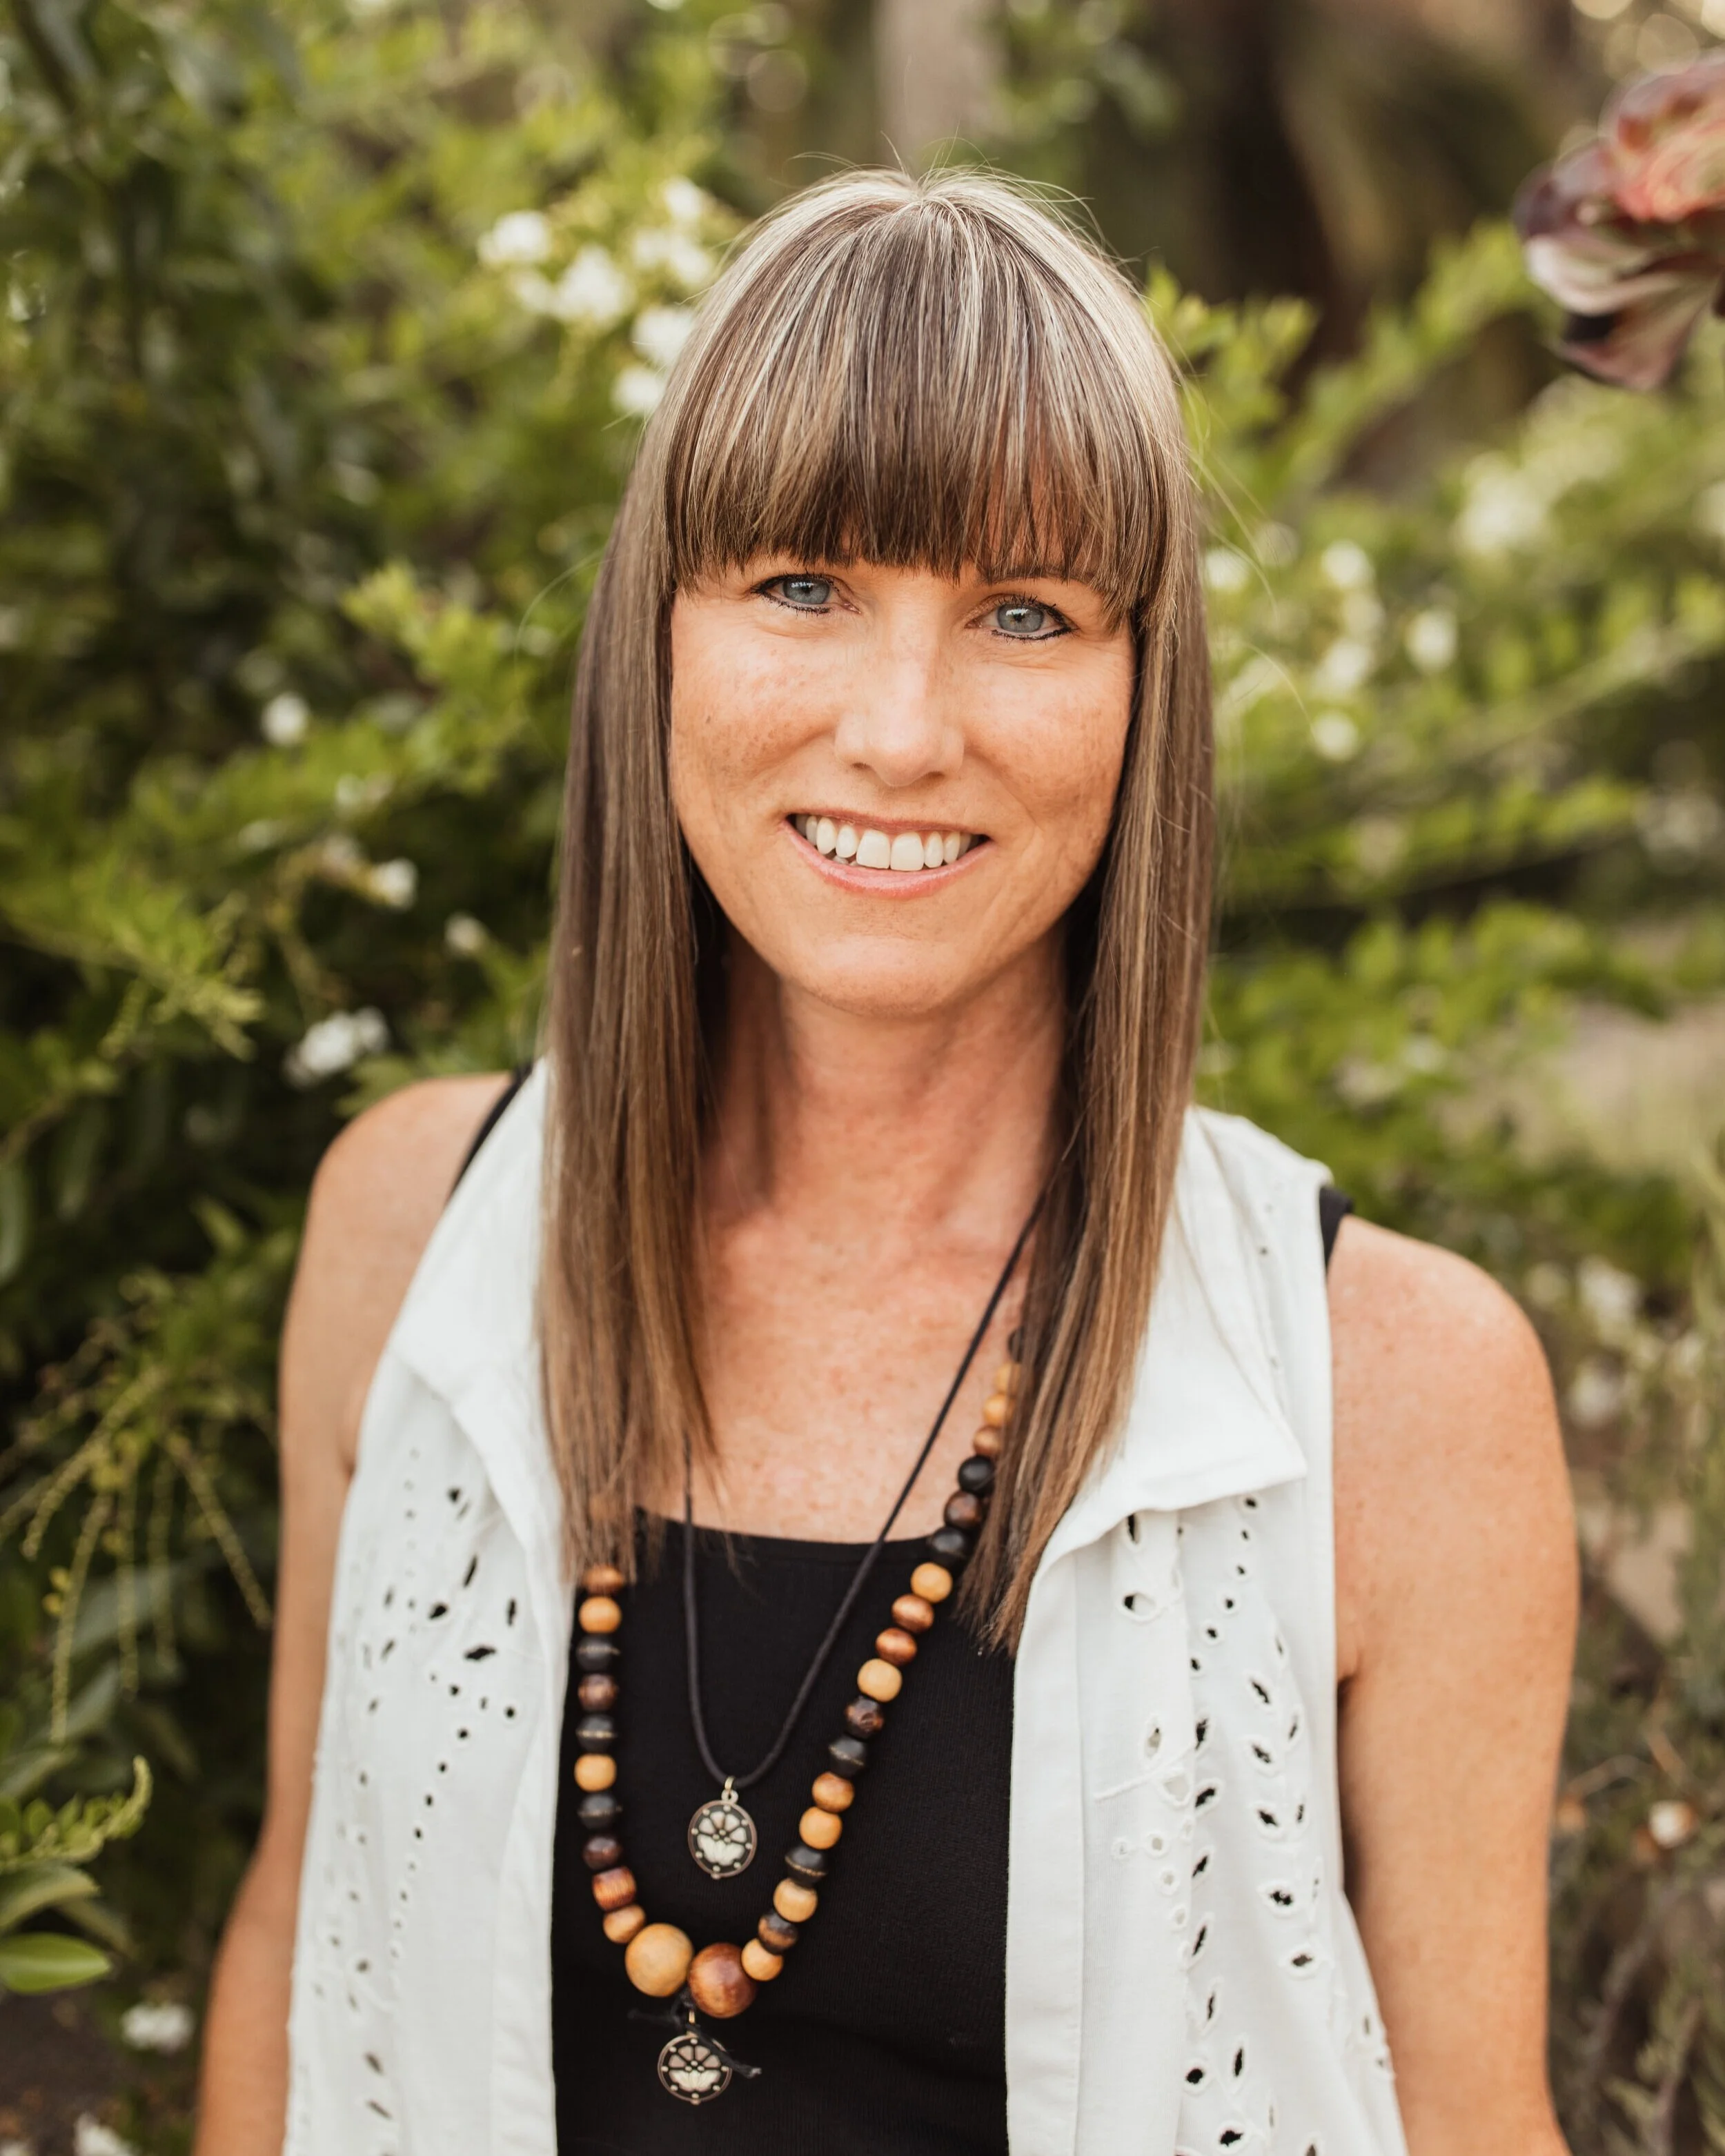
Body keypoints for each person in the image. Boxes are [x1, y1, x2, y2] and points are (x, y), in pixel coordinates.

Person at [194, 170, 1577, 2156]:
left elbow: (1471, 2120)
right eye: (800, 586)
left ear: (1140, 693)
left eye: (1023, 613)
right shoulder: (404, 1233)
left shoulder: (1399, 1390)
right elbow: (294, 1941)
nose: (901, 727)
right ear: (656, 633)